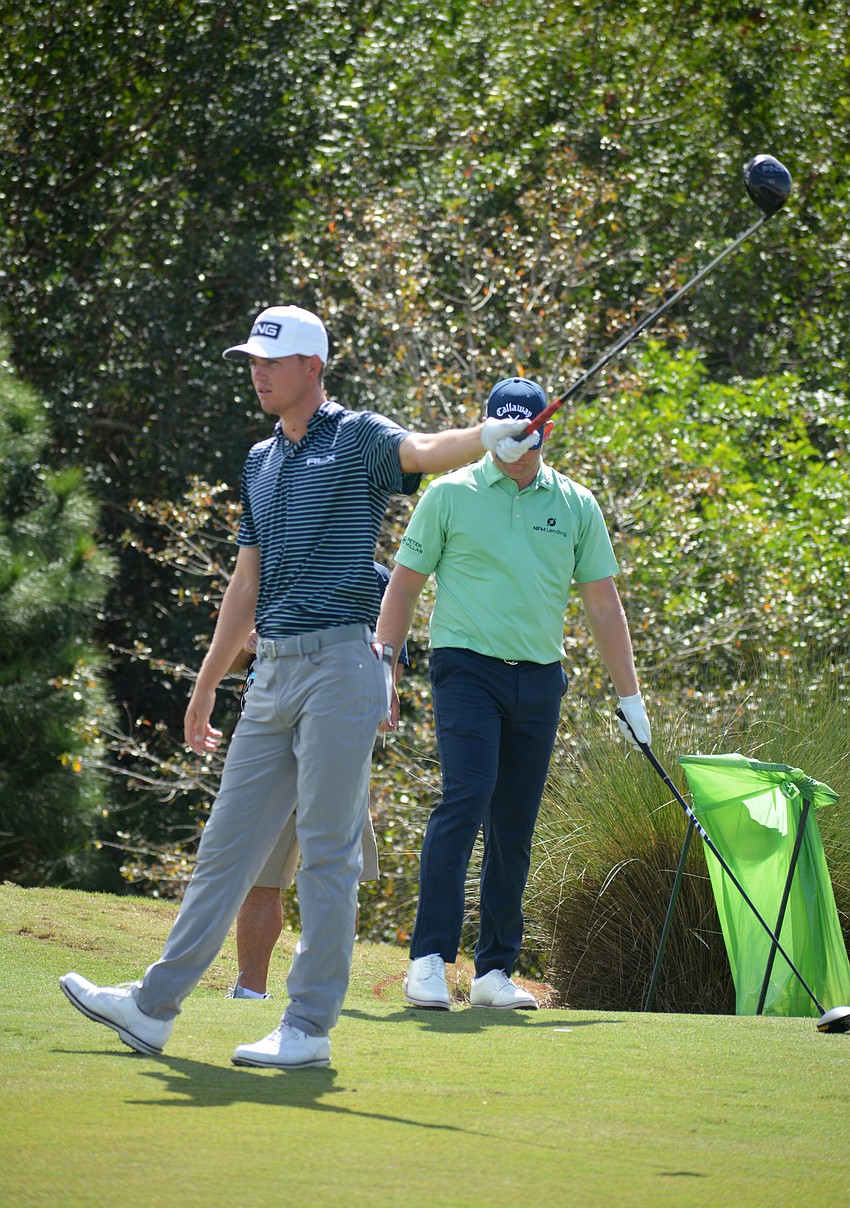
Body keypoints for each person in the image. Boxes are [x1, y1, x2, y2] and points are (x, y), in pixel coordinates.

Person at [59, 304, 533, 1069]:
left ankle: (308, 1027)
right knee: (225, 848)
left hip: (342, 664)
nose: (258, 373)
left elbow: (420, 449)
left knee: (326, 853)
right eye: (252, 361)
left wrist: (486, 436)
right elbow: (244, 582)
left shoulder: (357, 437)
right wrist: (206, 682)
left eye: (271, 361)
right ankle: (152, 1006)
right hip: (272, 671)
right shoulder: (259, 460)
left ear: (313, 366)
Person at [375, 376, 651, 1012]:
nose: (513, 444)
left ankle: (493, 971)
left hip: (540, 677)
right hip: (466, 668)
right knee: (466, 797)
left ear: (545, 432)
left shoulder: (576, 503)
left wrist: (630, 698)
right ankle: (428, 959)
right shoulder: (449, 493)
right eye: (502, 430)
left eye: (525, 432)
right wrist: (383, 670)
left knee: (515, 823)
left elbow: (604, 607)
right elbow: (404, 586)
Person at [227, 562, 409, 999]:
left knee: (334, 880)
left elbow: (391, 663)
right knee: (259, 879)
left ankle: (318, 993)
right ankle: (248, 994)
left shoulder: (374, 578)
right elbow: (231, 660)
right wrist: (246, 640)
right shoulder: (271, 569)